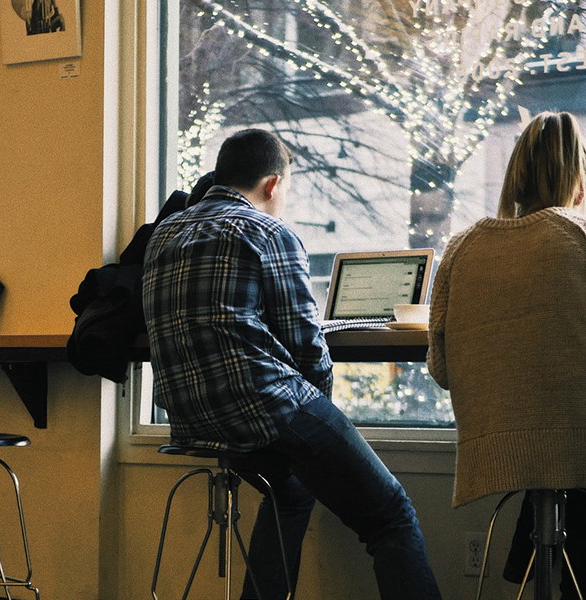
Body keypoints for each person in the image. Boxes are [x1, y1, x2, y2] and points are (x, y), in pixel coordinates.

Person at [143, 129, 442, 600]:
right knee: (390, 514)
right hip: (262, 406)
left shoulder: (165, 233)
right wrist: (324, 417)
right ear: (272, 185)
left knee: (292, 489)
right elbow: (305, 345)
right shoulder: (268, 231)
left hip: (189, 417)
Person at [427, 111, 586, 600]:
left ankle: (529, 558)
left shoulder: (460, 247)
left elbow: (441, 370)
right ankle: (585, 587)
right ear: (577, 181)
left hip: (492, 446)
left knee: (541, 439)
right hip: (582, 446)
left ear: (514, 175)